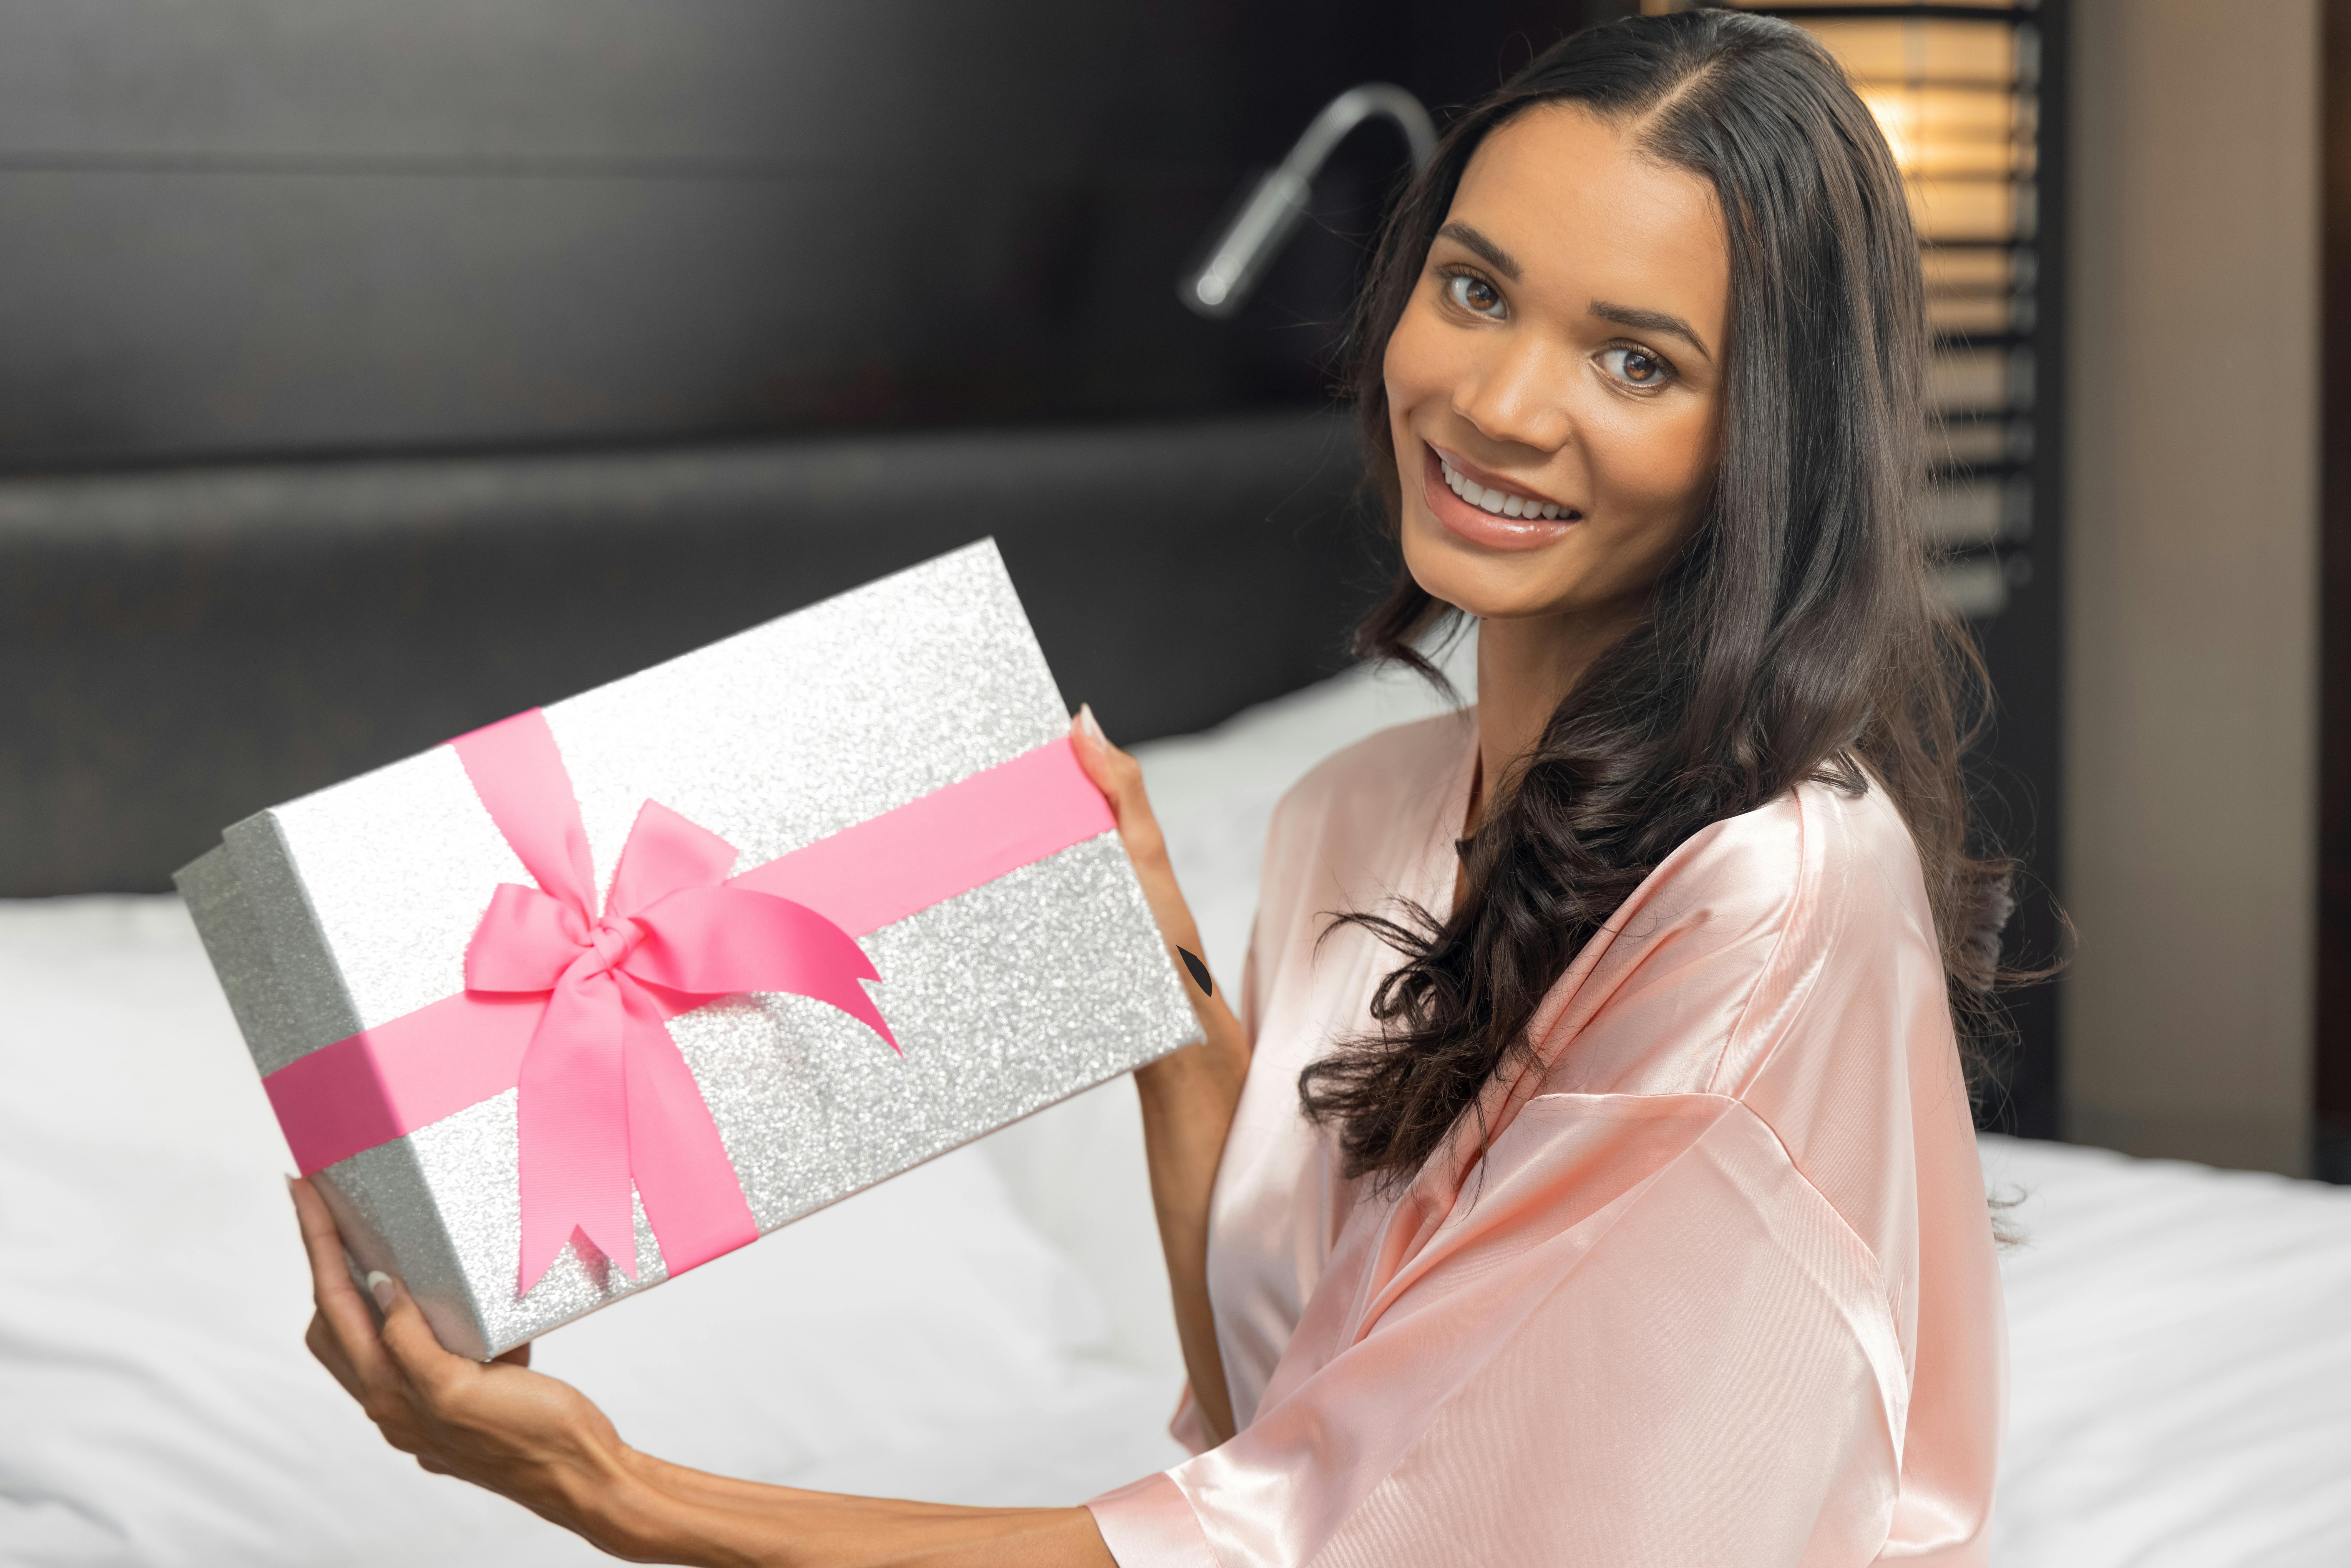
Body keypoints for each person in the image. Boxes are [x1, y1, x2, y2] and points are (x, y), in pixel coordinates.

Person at [291, 11, 2008, 1564]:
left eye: (1633, 360)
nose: (1493, 405)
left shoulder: (1770, 889)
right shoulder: (1348, 815)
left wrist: (615, 1495)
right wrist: (1173, 1022)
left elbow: (1322, 1535)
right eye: (1474, 290)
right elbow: (1291, 1418)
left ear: (1765, 433)